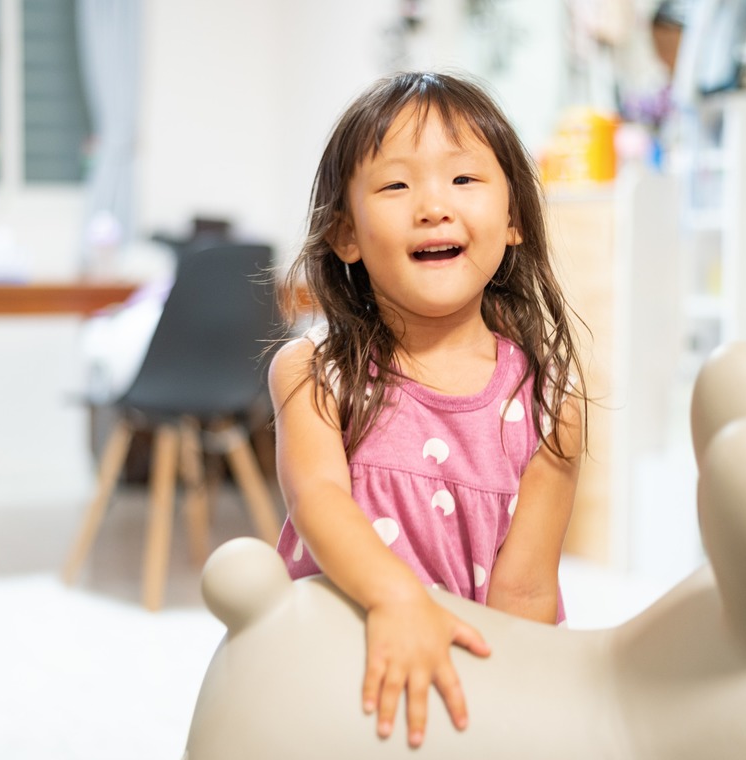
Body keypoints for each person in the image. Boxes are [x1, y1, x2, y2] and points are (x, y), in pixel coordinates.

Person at [269, 71, 587, 749]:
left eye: (463, 179)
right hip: (335, 678)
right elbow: (318, 499)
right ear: (346, 234)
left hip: (469, 687)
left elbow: (526, 594)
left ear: (514, 220)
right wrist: (397, 598)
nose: (434, 206)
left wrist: (507, 715)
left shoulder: (546, 403)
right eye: (396, 186)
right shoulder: (316, 374)